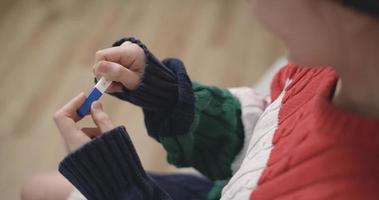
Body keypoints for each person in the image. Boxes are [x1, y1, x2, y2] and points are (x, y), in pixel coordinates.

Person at [22, 0, 379, 199]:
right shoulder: (322, 70)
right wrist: (167, 96)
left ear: (351, 14)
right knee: (37, 188)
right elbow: (263, 139)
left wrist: (116, 184)